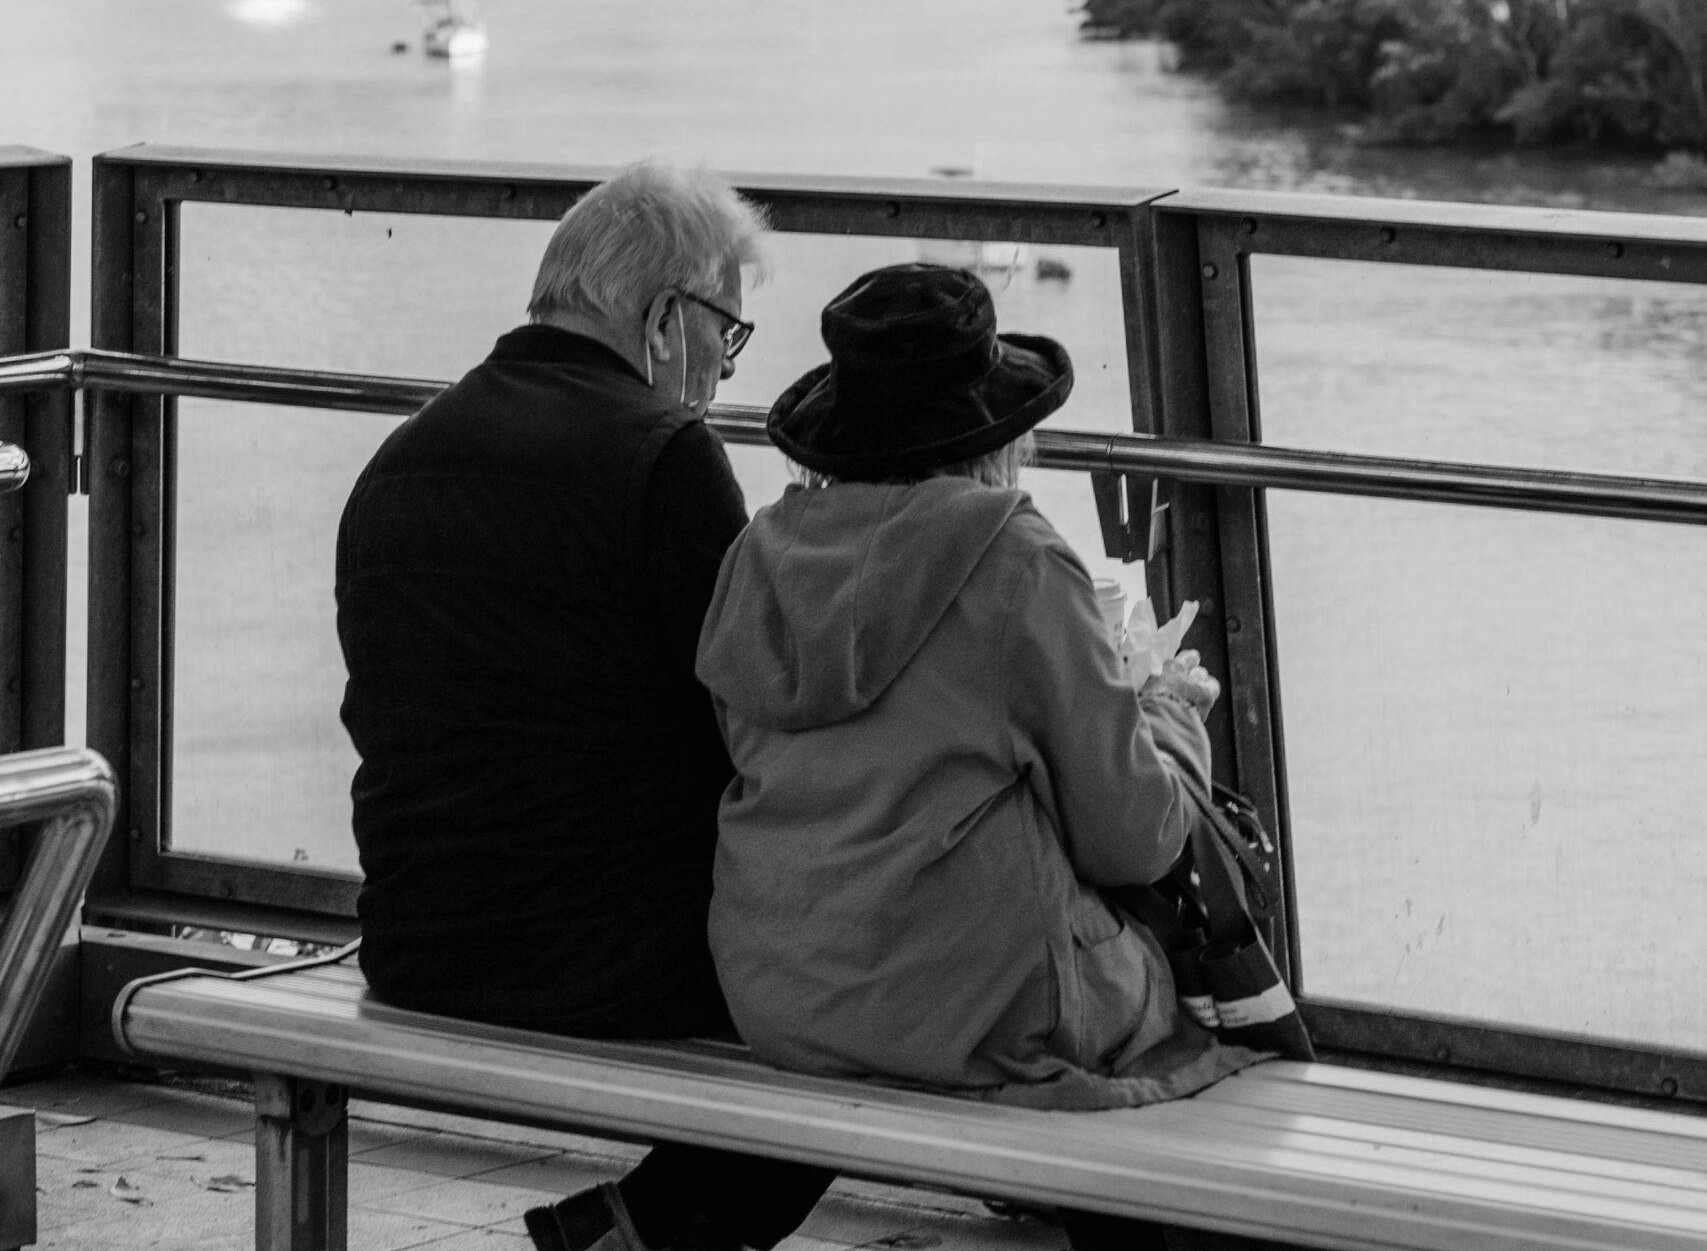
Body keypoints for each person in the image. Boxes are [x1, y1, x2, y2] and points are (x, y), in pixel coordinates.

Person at [696, 263, 1258, 1250]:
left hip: (779, 983)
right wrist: (1170, 710)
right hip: (973, 1001)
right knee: (1198, 978)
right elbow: (1137, 836)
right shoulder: (1016, 557)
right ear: (994, 427)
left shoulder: (758, 554)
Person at [335, 159, 829, 1251]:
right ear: (663, 319)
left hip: (418, 941)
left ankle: (635, 1229)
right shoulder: (664, 456)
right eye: (725, 336)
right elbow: (748, 724)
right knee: (864, 980)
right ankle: (647, 1229)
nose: (720, 373)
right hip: (605, 967)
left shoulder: (403, 458)